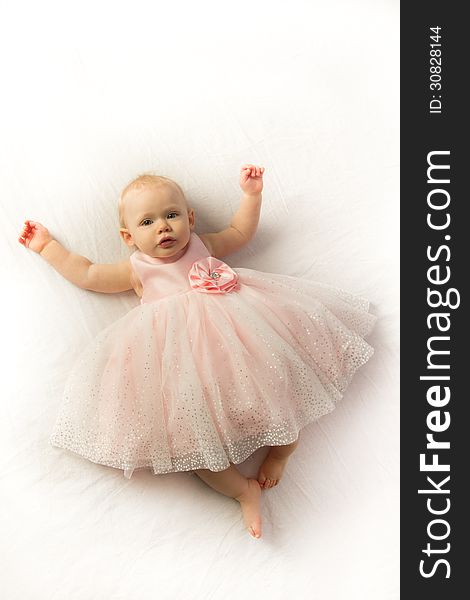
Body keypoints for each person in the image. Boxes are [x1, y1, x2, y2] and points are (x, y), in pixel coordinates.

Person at [18, 164, 376, 539]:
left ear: (189, 218)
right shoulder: (135, 268)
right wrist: (47, 247)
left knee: (282, 398)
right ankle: (242, 490)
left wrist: (251, 195)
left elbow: (240, 230)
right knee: (196, 449)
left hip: (243, 347)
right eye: (147, 222)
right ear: (128, 237)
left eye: (172, 215)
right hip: (183, 371)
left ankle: (282, 453)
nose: (163, 226)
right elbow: (88, 273)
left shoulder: (204, 244)